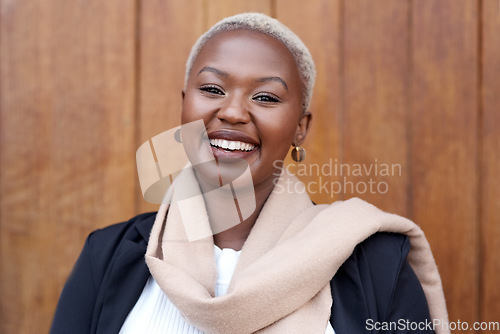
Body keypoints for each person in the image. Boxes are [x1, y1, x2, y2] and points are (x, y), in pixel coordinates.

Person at [51, 13, 449, 334]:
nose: (233, 112)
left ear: (300, 127)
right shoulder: (106, 256)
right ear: (184, 106)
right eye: (212, 89)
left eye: (265, 97)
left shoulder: (376, 263)